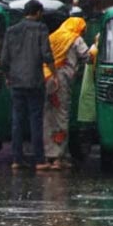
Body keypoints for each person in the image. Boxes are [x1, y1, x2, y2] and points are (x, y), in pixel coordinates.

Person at [1, 0, 58, 171]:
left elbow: (4, 58)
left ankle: (17, 159)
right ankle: (40, 160)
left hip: (16, 81)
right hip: (34, 81)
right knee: (36, 120)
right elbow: (46, 54)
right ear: (38, 13)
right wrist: (54, 73)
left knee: (17, 120)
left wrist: (7, 76)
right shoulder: (41, 28)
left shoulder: (11, 31)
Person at [43, 17, 91, 170]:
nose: (82, 33)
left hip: (47, 78)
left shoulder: (53, 36)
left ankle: (47, 155)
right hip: (62, 80)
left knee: (48, 116)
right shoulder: (75, 39)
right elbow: (88, 56)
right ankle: (58, 158)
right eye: (82, 30)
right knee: (61, 115)